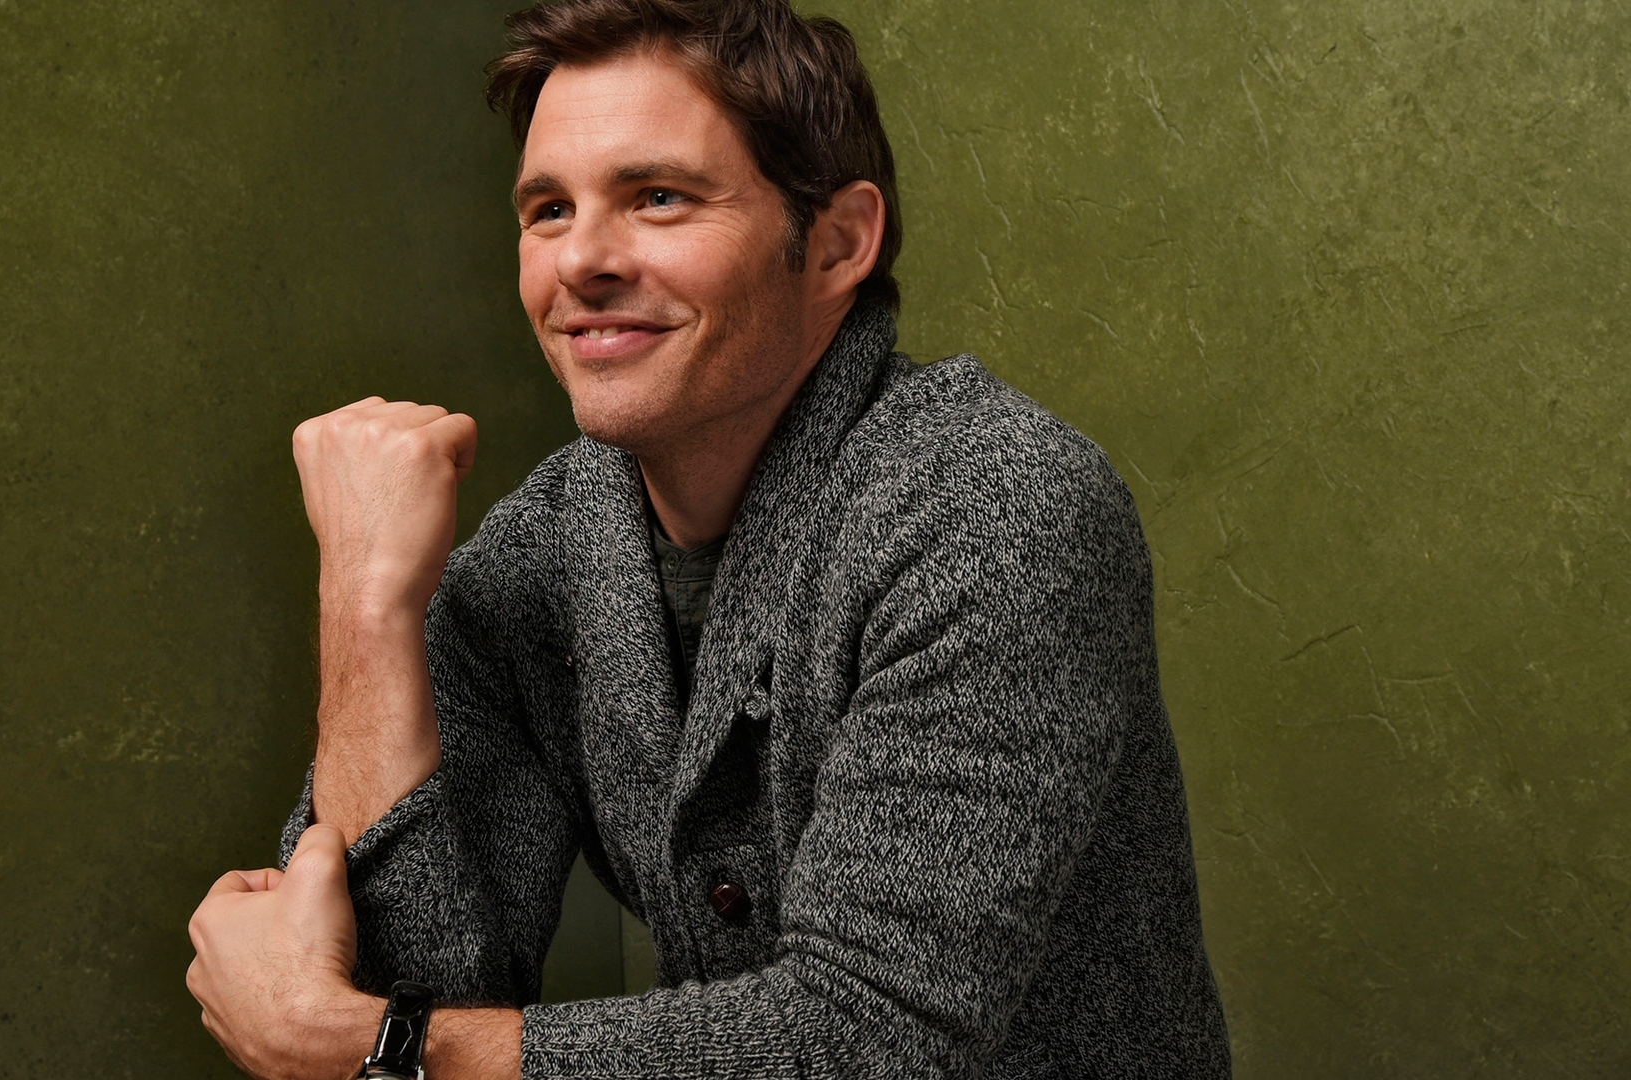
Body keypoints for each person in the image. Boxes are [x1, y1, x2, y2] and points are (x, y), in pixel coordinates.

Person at [185, 1, 1231, 1076]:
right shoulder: (549, 550)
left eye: (659, 198)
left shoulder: (998, 507)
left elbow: (870, 1041)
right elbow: (413, 983)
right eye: (549, 209)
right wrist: (366, 606)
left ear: (837, 243)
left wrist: (365, 1041)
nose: (582, 260)